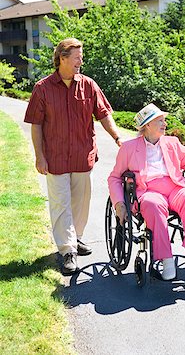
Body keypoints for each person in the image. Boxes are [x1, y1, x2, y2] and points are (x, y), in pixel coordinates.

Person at [24, 38, 122, 275]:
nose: (81, 61)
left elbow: (104, 114)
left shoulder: (88, 85)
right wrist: (39, 156)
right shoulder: (43, 88)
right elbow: (36, 125)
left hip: (81, 155)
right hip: (55, 157)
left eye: (81, 56)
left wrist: (118, 138)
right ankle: (67, 250)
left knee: (81, 202)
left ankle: (76, 238)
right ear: (62, 58)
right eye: (77, 57)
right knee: (61, 204)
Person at [108, 103, 185, 281]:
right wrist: (119, 204)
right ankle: (166, 260)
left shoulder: (172, 143)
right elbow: (114, 178)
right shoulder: (128, 148)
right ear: (148, 125)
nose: (165, 124)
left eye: (164, 120)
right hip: (148, 190)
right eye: (160, 121)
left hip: (174, 187)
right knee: (152, 204)